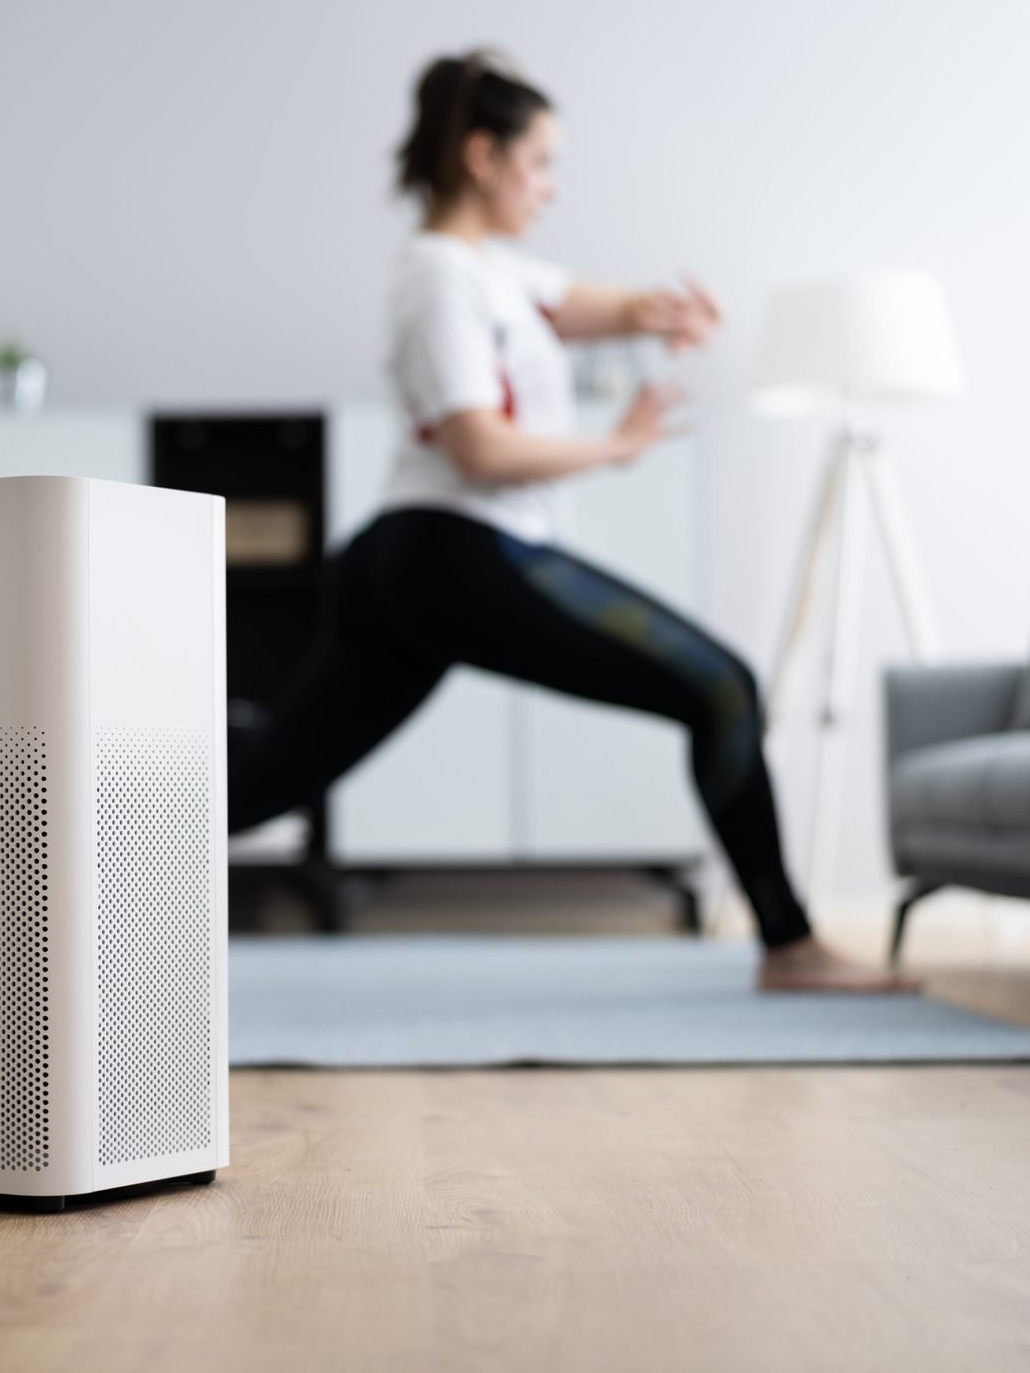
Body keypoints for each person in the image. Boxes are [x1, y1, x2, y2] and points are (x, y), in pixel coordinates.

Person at [228, 48, 916, 993]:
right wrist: (614, 447)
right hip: (453, 548)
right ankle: (792, 946)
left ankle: (38, 866)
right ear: (482, 157)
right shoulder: (439, 278)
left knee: (266, 780)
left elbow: (588, 304)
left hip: (405, 561)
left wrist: (661, 312)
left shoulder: (491, 272)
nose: (550, 186)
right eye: (539, 162)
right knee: (720, 689)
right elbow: (480, 448)